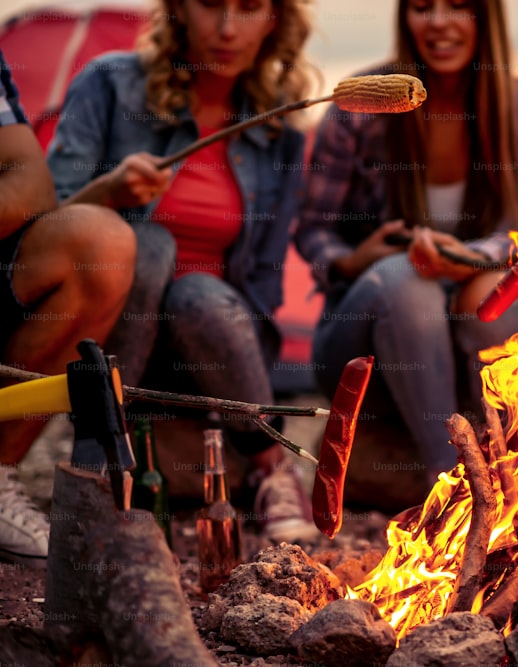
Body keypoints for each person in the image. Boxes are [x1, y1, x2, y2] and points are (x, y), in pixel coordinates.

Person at [46, 0, 320, 542]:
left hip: (213, 336)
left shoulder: (277, 125)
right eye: (210, 4)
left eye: (248, 8)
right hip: (117, 333)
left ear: (274, 20)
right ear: (177, 10)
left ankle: (271, 467)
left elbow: (263, 280)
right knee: (147, 246)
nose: (226, 28)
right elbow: (44, 231)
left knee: (196, 294)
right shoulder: (108, 86)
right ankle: (99, 459)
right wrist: (107, 194)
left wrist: (247, 363)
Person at [295, 0, 518, 482]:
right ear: (404, 16)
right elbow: (312, 229)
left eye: (458, 6)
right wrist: (355, 260)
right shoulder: (360, 108)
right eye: (421, 6)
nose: (438, 22)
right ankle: (448, 478)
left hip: (461, 346)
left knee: (489, 294)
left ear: (486, 16)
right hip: (361, 346)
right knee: (404, 276)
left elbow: (517, 236)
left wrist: (469, 260)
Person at [0, 49, 136, 568]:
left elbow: (33, 187)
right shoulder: (109, 81)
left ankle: (0, 471)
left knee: (103, 243)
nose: (229, 28)